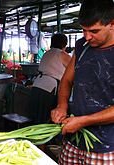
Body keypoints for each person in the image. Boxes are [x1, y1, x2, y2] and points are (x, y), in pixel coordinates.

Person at [51, 0, 114, 164]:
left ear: (112, 24)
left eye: (94, 31)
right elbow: (66, 80)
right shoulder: (82, 46)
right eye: (84, 30)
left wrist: (84, 121)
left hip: (105, 147)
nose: (87, 36)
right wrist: (62, 106)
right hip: (73, 141)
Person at [30, 33, 71, 124]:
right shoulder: (62, 54)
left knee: (36, 116)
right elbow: (74, 70)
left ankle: (34, 135)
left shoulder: (47, 53)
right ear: (64, 44)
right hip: (49, 89)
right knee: (47, 118)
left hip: (37, 85)